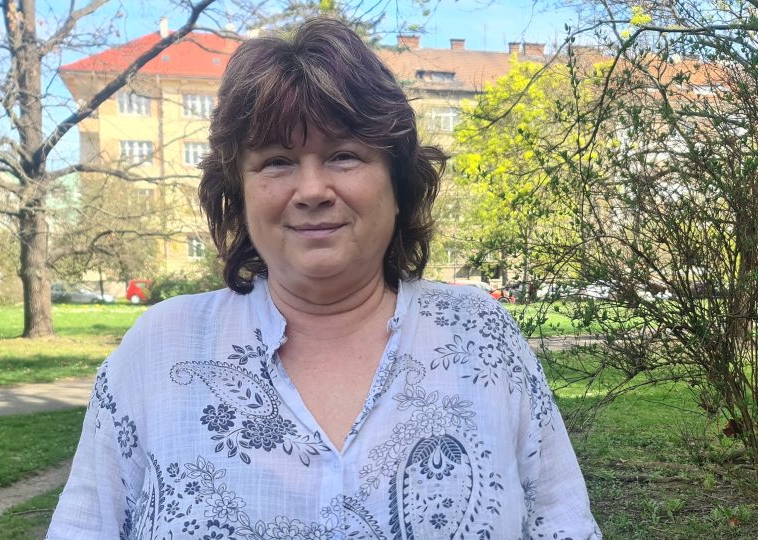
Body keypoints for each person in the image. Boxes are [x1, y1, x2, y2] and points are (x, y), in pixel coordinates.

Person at [47, 18, 601, 539]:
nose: (312, 190)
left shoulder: (481, 337)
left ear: (397, 183)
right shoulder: (159, 349)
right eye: (276, 161)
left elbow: (563, 521)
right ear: (239, 192)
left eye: (344, 155)